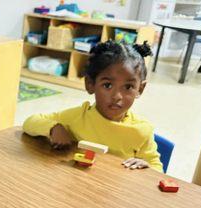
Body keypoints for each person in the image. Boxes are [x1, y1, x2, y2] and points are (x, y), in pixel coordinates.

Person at [23, 41, 163, 172]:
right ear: (90, 84)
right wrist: (53, 128)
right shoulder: (77, 117)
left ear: (140, 89)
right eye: (107, 85)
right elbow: (30, 122)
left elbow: (157, 169)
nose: (117, 96)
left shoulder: (142, 130)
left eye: (128, 87)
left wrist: (147, 166)